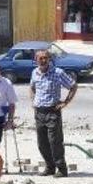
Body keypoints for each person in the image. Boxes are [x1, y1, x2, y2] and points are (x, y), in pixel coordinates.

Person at [29, 49, 77, 177]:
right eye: (41, 58)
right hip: (39, 112)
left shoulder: (58, 72)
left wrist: (65, 102)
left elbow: (73, 86)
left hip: (52, 112)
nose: (43, 60)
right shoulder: (35, 72)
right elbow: (32, 88)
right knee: (42, 143)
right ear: (36, 60)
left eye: (46, 58)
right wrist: (33, 102)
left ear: (49, 59)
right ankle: (50, 167)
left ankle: (61, 168)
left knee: (54, 141)